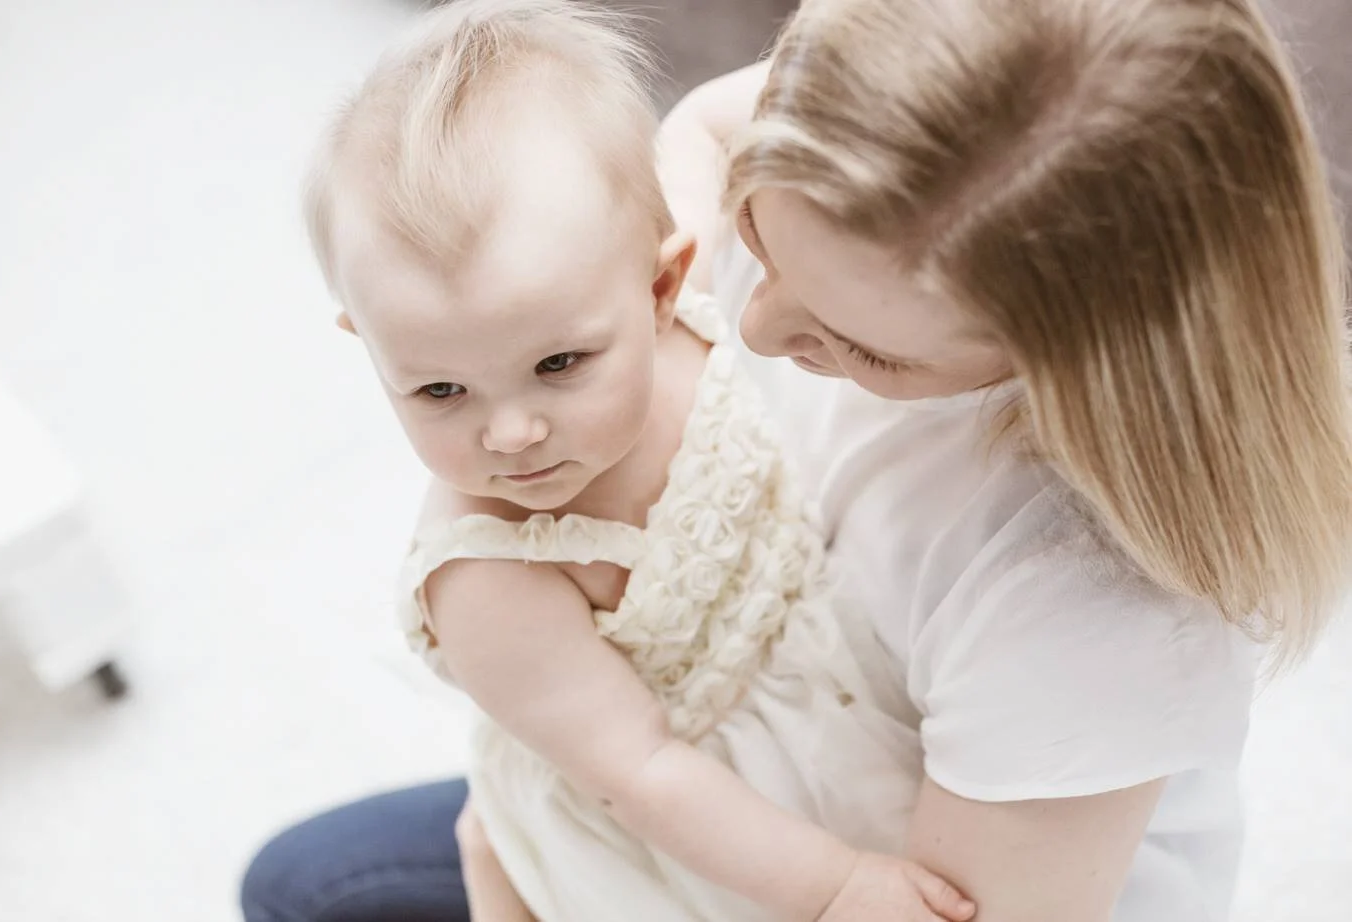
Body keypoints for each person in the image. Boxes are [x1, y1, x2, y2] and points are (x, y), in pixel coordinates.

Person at [242, 1, 1352, 921]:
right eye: (759, 234)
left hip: (840, 839)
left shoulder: (1088, 603)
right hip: (692, 803)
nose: (748, 326)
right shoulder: (680, 271)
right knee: (301, 882)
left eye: (860, 345)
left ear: (1058, 367)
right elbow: (687, 141)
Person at [285, 2, 976, 921]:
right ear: (370, 347)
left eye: (558, 365)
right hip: (700, 820)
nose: (510, 433)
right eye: (439, 392)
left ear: (660, 286)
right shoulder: (490, 576)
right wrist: (837, 885)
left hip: (835, 674)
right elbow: (643, 773)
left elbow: (767, 119)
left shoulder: (684, 293)